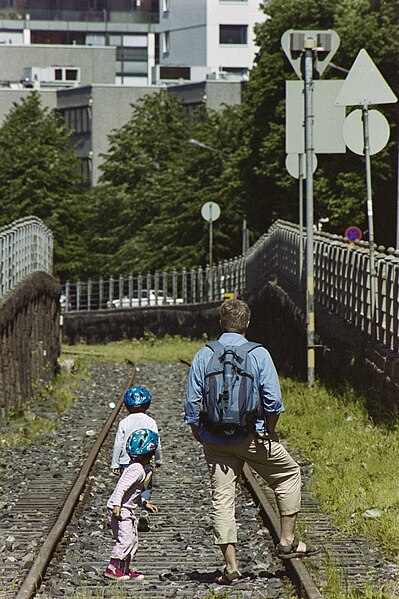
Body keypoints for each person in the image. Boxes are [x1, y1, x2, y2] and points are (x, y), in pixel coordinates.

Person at [184, 299, 317, 585]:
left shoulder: (203, 355)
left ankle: (230, 566)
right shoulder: (259, 354)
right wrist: (269, 430)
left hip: (215, 439)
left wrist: (199, 432)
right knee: (288, 473)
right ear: (247, 323)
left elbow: (192, 405)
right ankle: (287, 540)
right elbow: (273, 402)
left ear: (221, 323)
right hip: (252, 435)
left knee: (222, 498)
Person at [105, 428, 159, 581]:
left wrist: (144, 503)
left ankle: (124, 569)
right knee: (126, 539)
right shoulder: (137, 470)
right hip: (121, 510)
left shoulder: (137, 468)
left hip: (125, 509)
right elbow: (121, 487)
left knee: (133, 540)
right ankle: (112, 568)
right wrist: (117, 505)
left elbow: (132, 494)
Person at [111, 385, 163, 531]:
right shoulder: (150, 421)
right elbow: (156, 442)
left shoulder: (124, 422)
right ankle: (144, 511)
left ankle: (128, 513)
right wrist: (158, 459)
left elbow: (118, 444)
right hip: (145, 460)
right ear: (147, 404)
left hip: (126, 461)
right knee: (144, 486)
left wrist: (115, 463)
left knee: (127, 486)